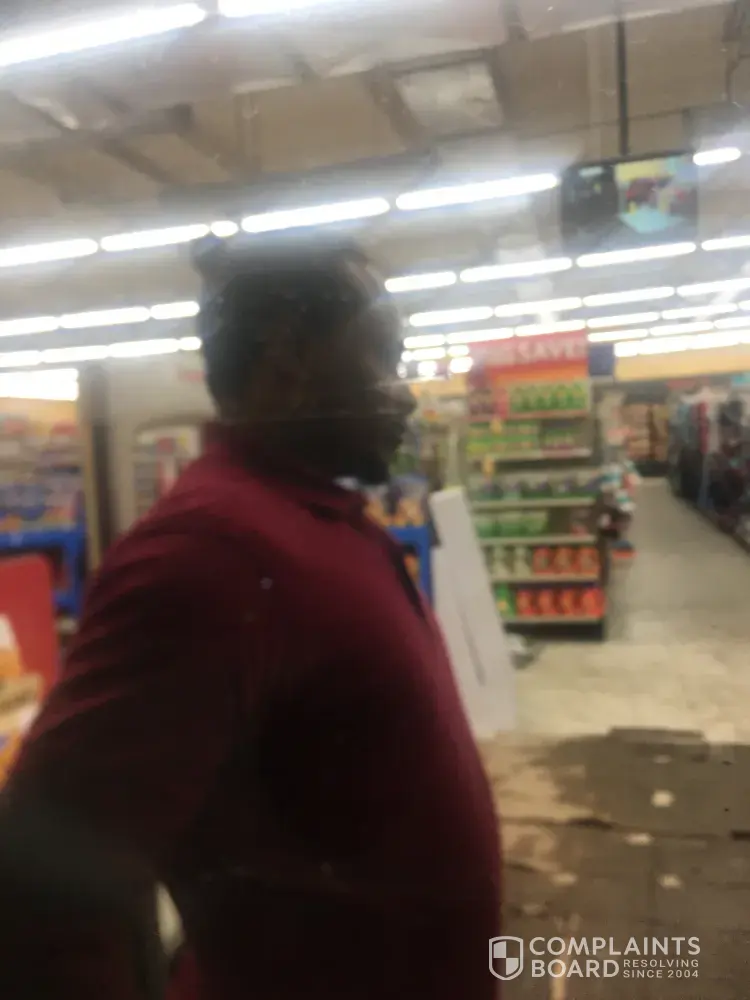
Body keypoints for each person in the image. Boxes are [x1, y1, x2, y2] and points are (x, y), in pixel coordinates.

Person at [3, 237, 501, 999]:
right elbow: (44, 890)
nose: (404, 395)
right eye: (383, 357)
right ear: (288, 356)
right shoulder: (209, 555)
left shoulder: (310, 517)